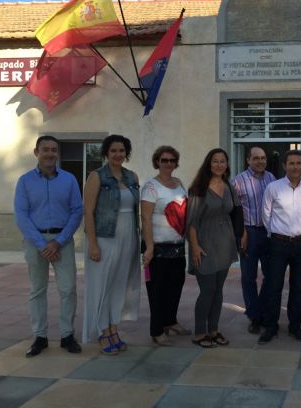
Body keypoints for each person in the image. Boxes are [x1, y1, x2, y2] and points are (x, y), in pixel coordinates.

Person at [14, 135, 83, 357]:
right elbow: (21, 215)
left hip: (62, 241)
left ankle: (67, 335)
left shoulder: (69, 180)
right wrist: (42, 243)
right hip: (36, 243)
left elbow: (76, 211)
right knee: (37, 290)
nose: (50, 153)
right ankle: (40, 336)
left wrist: (58, 241)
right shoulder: (24, 181)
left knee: (68, 289)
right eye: (46, 149)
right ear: (36, 152)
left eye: (54, 150)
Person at [82, 134, 141, 355]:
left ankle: (114, 327)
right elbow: (88, 211)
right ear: (106, 153)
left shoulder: (132, 176)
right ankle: (102, 330)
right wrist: (93, 244)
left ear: (127, 154)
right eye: (114, 150)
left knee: (119, 285)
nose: (118, 154)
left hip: (129, 236)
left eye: (122, 151)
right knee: (102, 285)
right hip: (105, 237)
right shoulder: (97, 176)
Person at [258, 150, 301, 345]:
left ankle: (295, 326)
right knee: (274, 286)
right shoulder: (273, 188)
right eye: (291, 163)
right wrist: (277, 233)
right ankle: (271, 326)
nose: (295, 167)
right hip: (277, 244)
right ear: (284, 165)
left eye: (298, 163)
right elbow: (266, 216)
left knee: (297, 288)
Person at [187, 148, 240, 348]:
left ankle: (214, 330)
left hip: (224, 243)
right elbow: (191, 222)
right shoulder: (198, 188)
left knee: (218, 291)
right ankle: (200, 332)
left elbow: (236, 211)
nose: (219, 165)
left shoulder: (228, 185)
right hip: (204, 243)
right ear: (208, 164)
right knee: (207, 290)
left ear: (227, 164)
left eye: (222, 161)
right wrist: (194, 247)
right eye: (215, 161)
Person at [141, 146, 191, 346]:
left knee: (175, 287)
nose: (168, 163)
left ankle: (171, 321)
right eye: (164, 160)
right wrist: (150, 247)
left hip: (177, 246)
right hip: (158, 248)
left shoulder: (179, 184)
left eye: (172, 160)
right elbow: (145, 218)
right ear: (157, 162)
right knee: (157, 291)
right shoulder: (151, 187)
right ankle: (157, 330)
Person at [232, 146, 276, 335]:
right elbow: (234, 211)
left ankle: (261, 311)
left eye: (263, 158)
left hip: (269, 232)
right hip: (248, 232)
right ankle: (254, 316)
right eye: (256, 158)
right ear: (248, 160)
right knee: (249, 277)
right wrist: (241, 233)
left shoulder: (272, 179)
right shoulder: (238, 181)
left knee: (271, 275)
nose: (260, 161)